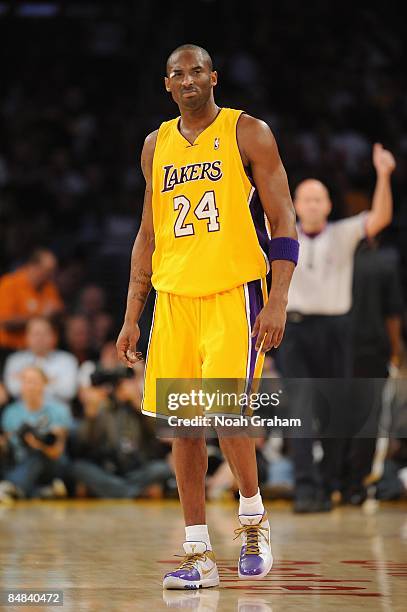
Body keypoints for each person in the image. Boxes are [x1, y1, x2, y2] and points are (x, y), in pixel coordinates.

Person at [116, 44, 298, 589]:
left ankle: (252, 519)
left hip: (233, 293)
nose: (188, 78)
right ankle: (197, 553)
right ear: (167, 85)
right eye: (177, 73)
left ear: (214, 77)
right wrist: (132, 314)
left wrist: (278, 298)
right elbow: (148, 235)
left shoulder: (248, 133)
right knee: (184, 429)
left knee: (227, 413)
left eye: (197, 70)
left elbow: (283, 217)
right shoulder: (155, 146)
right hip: (173, 300)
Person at [276, 144, 396, 513]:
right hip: (294, 332)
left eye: (318, 199)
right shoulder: (282, 235)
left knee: (336, 413)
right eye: (306, 199)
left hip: (336, 330)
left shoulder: (343, 234)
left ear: (328, 205)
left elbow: (379, 217)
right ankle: (306, 490)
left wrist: (384, 175)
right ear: (295, 204)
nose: (312, 205)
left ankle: (328, 486)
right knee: (298, 411)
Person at [0, 366, 72, 503]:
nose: (30, 386)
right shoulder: (10, 413)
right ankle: (42, 491)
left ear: (44, 384)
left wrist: (39, 445)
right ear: (21, 385)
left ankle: (12, 487)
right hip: (20, 461)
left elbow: (57, 452)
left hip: (50, 462)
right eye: (26, 381)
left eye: (34, 381)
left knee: (36, 456)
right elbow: (10, 447)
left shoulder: (59, 411)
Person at [0, 249, 64, 360]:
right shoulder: (10, 284)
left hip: (44, 353)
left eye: (53, 271)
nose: (51, 275)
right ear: (33, 266)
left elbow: (58, 312)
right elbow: (4, 321)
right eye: (48, 270)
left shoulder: (49, 287)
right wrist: (40, 316)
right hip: (10, 350)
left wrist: (56, 314)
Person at [3, 316, 78, 406]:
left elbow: (68, 392)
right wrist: (50, 381)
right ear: (27, 337)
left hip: (58, 416)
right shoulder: (15, 360)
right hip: (22, 414)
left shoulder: (67, 360)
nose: (40, 338)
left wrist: (27, 382)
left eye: (44, 333)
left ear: (54, 336)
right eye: (36, 334)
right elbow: (13, 389)